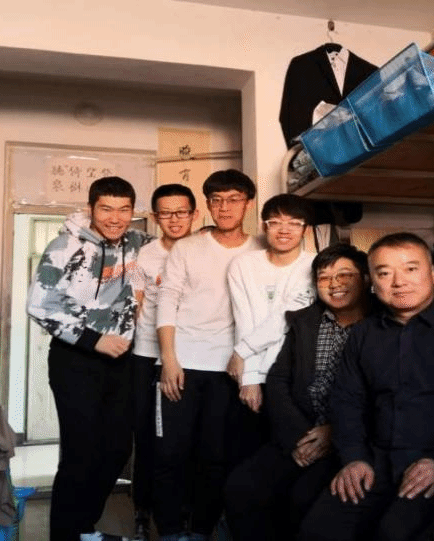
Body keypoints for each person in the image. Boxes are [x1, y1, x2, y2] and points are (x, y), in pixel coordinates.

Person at [297, 232, 434, 541]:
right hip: (373, 461)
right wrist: (354, 458)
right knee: (317, 530)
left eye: (411, 269)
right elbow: (347, 401)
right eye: (385, 273)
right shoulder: (362, 334)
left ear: (433, 274)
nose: (399, 282)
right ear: (372, 283)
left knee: (393, 533)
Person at [26, 176, 152, 541]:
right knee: (80, 453)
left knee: (116, 450)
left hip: (122, 361)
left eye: (124, 210)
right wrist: (94, 340)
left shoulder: (139, 243)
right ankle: (66, 534)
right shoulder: (64, 246)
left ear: (133, 211)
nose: (115, 218)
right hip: (75, 359)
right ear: (91, 208)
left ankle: (84, 527)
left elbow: (175, 250)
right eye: (106, 209)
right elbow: (39, 305)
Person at [224, 243, 373, 541]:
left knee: (303, 498)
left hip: (350, 442)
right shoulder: (305, 321)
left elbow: (384, 397)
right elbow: (278, 380)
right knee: (240, 487)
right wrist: (299, 438)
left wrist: (334, 433)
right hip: (299, 433)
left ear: (365, 279)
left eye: (345, 275)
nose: (334, 284)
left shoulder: (380, 325)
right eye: (324, 277)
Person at [154, 169, 262, 541]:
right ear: (208, 206)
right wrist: (169, 359)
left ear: (248, 204)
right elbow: (167, 301)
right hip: (182, 364)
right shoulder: (187, 247)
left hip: (230, 369)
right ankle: (170, 531)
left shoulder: (261, 249)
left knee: (215, 455)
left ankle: (201, 529)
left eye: (233, 199)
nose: (224, 207)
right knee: (170, 452)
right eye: (216, 200)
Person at [129, 183, 199, 540]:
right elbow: (137, 303)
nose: (174, 219)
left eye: (181, 212)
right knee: (148, 436)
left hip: (192, 356)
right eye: (166, 213)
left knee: (185, 439)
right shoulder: (145, 255)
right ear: (156, 218)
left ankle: (183, 510)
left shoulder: (203, 251)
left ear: (194, 214)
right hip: (147, 356)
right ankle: (143, 510)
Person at [225, 193, 316, 464]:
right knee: (247, 454)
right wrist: (250, 377)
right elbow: (244, 318)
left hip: (294, 373)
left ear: (305, 230)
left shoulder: (314, 265)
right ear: (264, 226)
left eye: (294, 223)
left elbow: (287, 318)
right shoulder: (243, 265)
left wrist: (241, 352)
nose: (284, 230)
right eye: (275, 222)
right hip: (252, 371)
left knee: (294, 455)